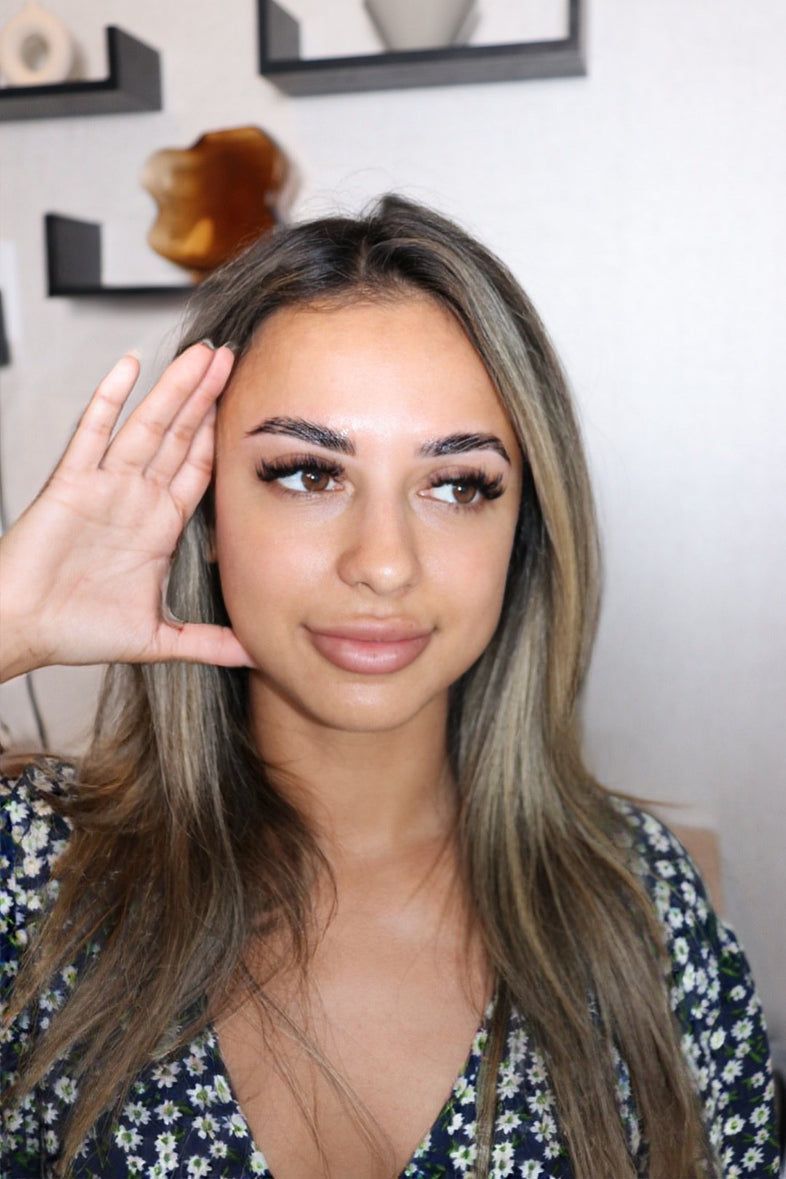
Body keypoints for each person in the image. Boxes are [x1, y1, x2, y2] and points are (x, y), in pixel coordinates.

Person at [0, 193, 779, 1179]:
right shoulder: (34, 877)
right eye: (305, 474)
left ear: (523, 534)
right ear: (201, 514)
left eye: (457, 485)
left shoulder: (644, 914)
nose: (382, 562)